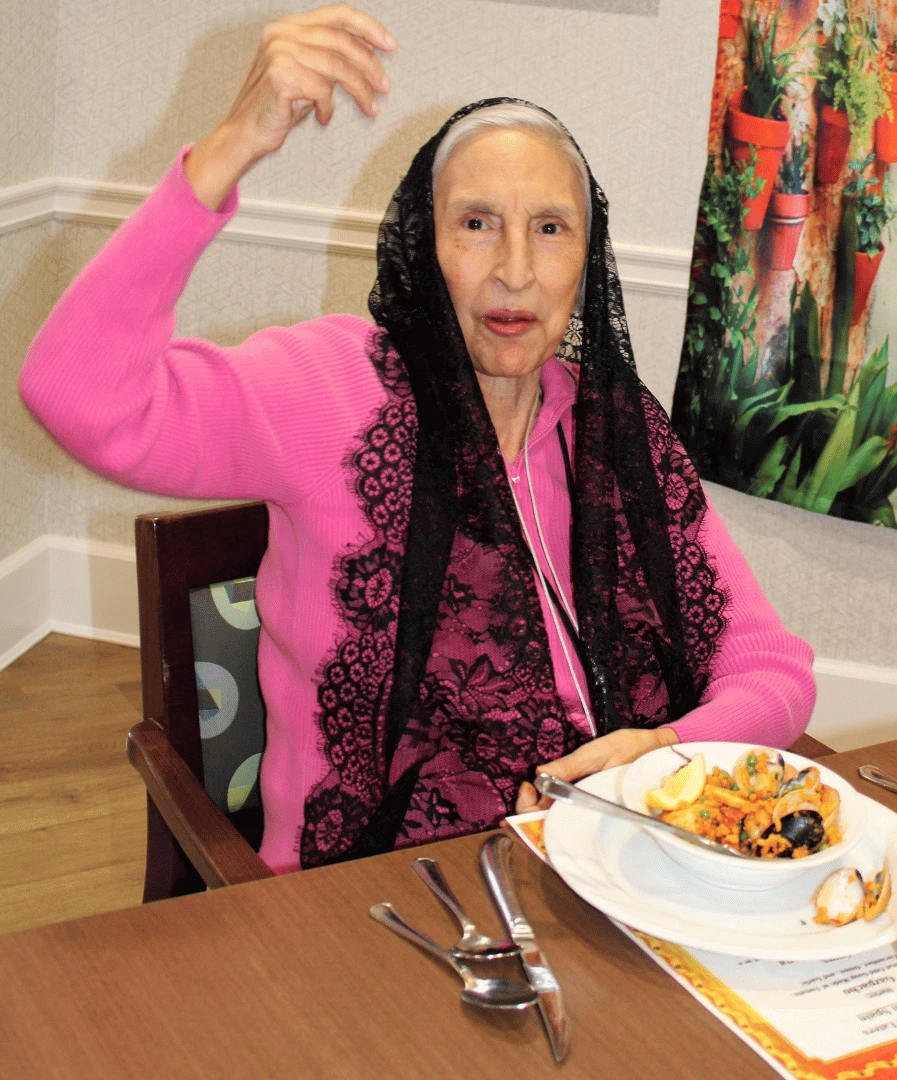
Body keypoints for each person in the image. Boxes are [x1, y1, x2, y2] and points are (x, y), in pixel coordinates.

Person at [19, 4, 816, 874]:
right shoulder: (327, 388)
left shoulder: (619, 432)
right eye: (476, 223)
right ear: (422, 244)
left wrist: (662, 754)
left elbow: (772, 669)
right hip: (368, 901)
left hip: (611, 872)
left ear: (588, 260)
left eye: (550, 229)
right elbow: (76, 395)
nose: (514, 269)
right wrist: (230, 148)